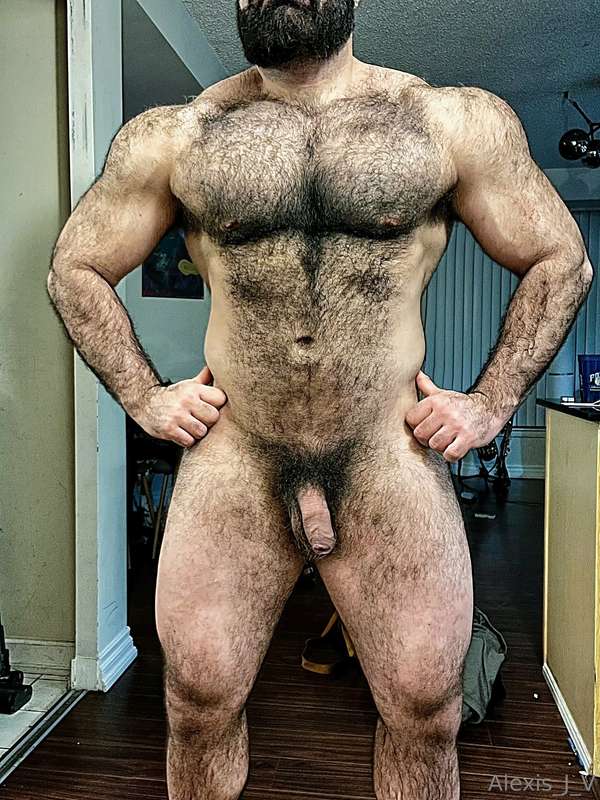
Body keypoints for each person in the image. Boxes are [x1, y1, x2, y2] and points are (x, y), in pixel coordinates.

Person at [47, 1, 593, 797]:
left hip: (386, 454)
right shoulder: (178, 135)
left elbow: (560, 259)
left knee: (425, 707)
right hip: (237, 454)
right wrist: (144, 396)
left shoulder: (447, 121)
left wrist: (490, 402)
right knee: (196, 700)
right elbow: (76, 268)